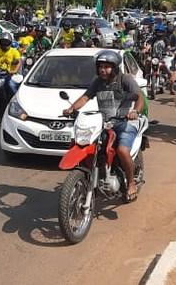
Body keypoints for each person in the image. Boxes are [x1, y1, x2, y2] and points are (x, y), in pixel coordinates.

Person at [62, 50, 144, 202]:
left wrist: (135, 111)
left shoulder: (125, 79)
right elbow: (86, 97)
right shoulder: (98, 82)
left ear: (115, 68)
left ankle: (131, 183)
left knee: (122, 150)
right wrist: (72, 108)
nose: (102, 70)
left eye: (107, 67)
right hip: (104, 123)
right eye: (100, 66)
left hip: (125, 122)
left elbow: (139, 97)